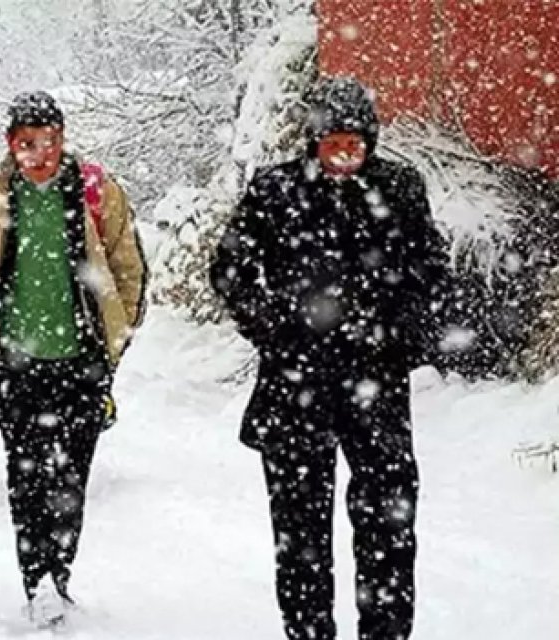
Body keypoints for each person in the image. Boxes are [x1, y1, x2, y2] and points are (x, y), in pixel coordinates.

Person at [209, 76, 450, 640]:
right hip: (295, 388)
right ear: (312, 140)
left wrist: (404, 334)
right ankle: (308, 631)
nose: (345, 156)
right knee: (300, 535)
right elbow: (229, 271)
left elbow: (434, 273)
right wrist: (272, 327)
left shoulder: (399, 189)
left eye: (356, 144)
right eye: (332, 143)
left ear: (372, 141)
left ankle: (386, 632)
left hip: (378, 386)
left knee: (389, 526)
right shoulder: (275, 191)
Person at [0, 91, 147, 627]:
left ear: (64, 139)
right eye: (28, 143)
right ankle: (37, 580)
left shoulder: (95, 192)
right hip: (14, 363)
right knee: (27, 474)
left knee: (72, 474)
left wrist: (114, 337)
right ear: (11, 144)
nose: (41, 153)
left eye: (50, 141)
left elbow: (128, 263)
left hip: (81, 360)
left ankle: (60, 572)